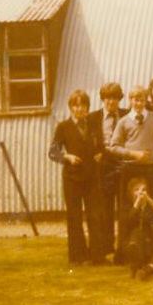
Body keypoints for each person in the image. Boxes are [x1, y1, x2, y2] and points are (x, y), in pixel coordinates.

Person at [109, 85, 153, 262]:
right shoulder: (124, 121)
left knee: (150, 206)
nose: (138, 103)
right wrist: (133, 154)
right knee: (129, 210)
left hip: (150, 169)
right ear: (130, 101)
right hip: (130, 169)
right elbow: (113, 147)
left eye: (141, 99)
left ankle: (152, 248)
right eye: (134, 99)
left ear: (145, 100)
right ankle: (124, 251)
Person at [48, 89, 106, 265]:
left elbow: (101, 146)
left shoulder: (94, 124)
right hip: (72, 178)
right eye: (76, 105)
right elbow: (52, 152)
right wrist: (67, 157)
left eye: (83, 105)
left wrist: (100, 154)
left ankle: (97, 256)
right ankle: (77, 257)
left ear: (87, 107)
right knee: (74, 217)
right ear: (71, 107)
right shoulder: (63, 127)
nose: (80, 109)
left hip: (92, 177)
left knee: (95, 216)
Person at [87, 82, 129, 257]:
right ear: (102, 99)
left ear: (119, 99)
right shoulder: (92, 118)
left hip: (123, 163)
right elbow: (87, 142)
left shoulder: (127, 115)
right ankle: (106, 246)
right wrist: (96, 153)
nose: (111, 102)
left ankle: (124, 247)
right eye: (107, 98)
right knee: (105, 208)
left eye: (114, 98)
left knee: (124, 207)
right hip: (103, 165)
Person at [124, 177, 153, 280]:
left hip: (150, 241)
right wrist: (136, 204)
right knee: (136, 233)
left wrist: (150, 201)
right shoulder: (128, 206)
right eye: (137, 190)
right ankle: (135, 263)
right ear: (131, 193)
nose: (141, 192)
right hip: (135, 242)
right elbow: (128, 223)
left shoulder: (151, 206)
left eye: (144, 189)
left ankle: (146, 269)